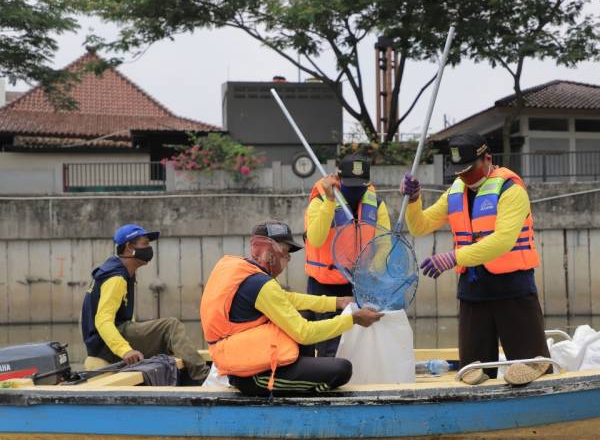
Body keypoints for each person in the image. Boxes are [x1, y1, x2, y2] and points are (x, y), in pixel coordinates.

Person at [399, 132, 548, 385]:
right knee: (472, 373)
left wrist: (453, 257)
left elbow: (502, 241)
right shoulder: (455, 192)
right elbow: (419, 226)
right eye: (458, 171)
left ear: (487, 158)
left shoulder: (512, 190)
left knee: (529, 369)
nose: (463, 176)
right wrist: (413, 200)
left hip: (512, 289)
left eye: (468, 170)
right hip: (473, 291)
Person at [200, 219, 384, 396]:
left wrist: (338, 301)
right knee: (342, 370)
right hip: (252, 376)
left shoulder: (243, 272)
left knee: (302, 319)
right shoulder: (260, 284)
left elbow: (286, 299)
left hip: (243, 361)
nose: (288, 259)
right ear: (270, 253)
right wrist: (353, 319)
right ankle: (303, 404)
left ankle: (304, 379)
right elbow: (304, 332)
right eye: (286, 252)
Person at [81, 224, 210, 384]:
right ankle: (205, 379)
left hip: (104, 343)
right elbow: (103, 320)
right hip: (105, 346)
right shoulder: (116, 277)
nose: (149, 248)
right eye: (145, 244)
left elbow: (125, 317)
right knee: (170, 327)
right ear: (129, 247)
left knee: (166, 340)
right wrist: (125, 350)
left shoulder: (120, 272)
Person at [303, 154, 391, 357]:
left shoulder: (376, 204)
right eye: (350, 184)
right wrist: (330, 202)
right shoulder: (320, 201)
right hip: (325, 287)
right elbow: (315, 238)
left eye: (360, 184)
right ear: (338, 179)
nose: (355, 189)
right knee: (329, 348)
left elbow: (384, 244)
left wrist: (372, 276)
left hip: (359, 284)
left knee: (359, 347)